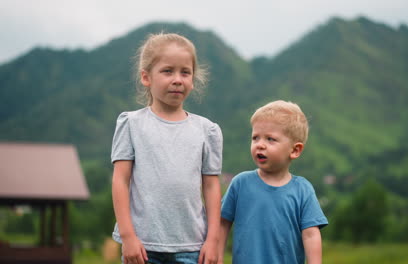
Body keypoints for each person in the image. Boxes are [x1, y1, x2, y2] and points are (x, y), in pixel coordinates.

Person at [111, 33, 222, 264]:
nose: (177, 79)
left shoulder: (207, 130)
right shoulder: (131, 124)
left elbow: (211, 187)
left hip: (192, 247)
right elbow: (120, 180)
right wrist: (128, 236)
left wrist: (213, 241)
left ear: (193, 79)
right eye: (167, 71)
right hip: (142, 247)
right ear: (146, 77)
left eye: (185, 72)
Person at [218, 100, 328, 264]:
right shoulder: (240, 184)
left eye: (270, 139)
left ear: (295, 150)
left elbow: (311, 234)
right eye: (255, 138)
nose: (260, 145)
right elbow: (222, 223)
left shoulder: (303, 190)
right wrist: (217, 257)